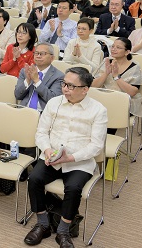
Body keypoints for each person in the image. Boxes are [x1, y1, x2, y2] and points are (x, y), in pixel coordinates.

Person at [24, 67, 106, 248]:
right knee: (34, 179)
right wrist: (46, 150)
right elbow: (41, 132)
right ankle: (43, 224)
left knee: (73, 188)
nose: (65, 88)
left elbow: (96, 146)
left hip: (79, 161)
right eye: (64, 84)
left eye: (71, 85)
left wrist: (70, 158)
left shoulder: (98, 110)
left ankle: (63, 230)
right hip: (52, 156)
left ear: (85, 89)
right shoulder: (54, 103)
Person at [92, 38, 142, 119]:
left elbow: (132, 92)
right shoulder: (106, 62)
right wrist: (106, 73)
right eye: (112, 46)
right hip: (104, 98)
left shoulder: (134, 67)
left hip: (123, 102)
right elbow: (93, 86)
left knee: (104, 113)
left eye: (118, 47)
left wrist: (116, 76)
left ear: (127, 52)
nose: (113, 49)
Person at [15, 42, 64, 111]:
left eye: (42, 53)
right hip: (23, 111)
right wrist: (27, 81)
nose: (38, 56)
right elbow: (17, 95)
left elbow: (53, 100)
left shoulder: (59, 76)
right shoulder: (25, 71)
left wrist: (37, 81)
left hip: (43, 114)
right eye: (36, 53)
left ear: (52, 58)